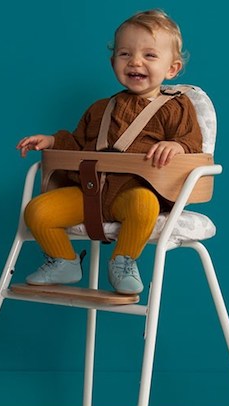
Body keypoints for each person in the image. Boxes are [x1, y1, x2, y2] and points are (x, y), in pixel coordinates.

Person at [16, 9, 202, 294]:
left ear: (172, 69)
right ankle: (63, 260)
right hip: (90, 191)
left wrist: (177, 146)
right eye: (125, 54)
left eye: (149, 55)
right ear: (113, 62)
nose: (135, 61)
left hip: (132, 193)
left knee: (145, 205)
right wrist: (52, 141)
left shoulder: (176, 106)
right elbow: (77, 144)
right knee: (37, 211)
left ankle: (123, 260)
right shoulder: (99, 108)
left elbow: (192, 143)